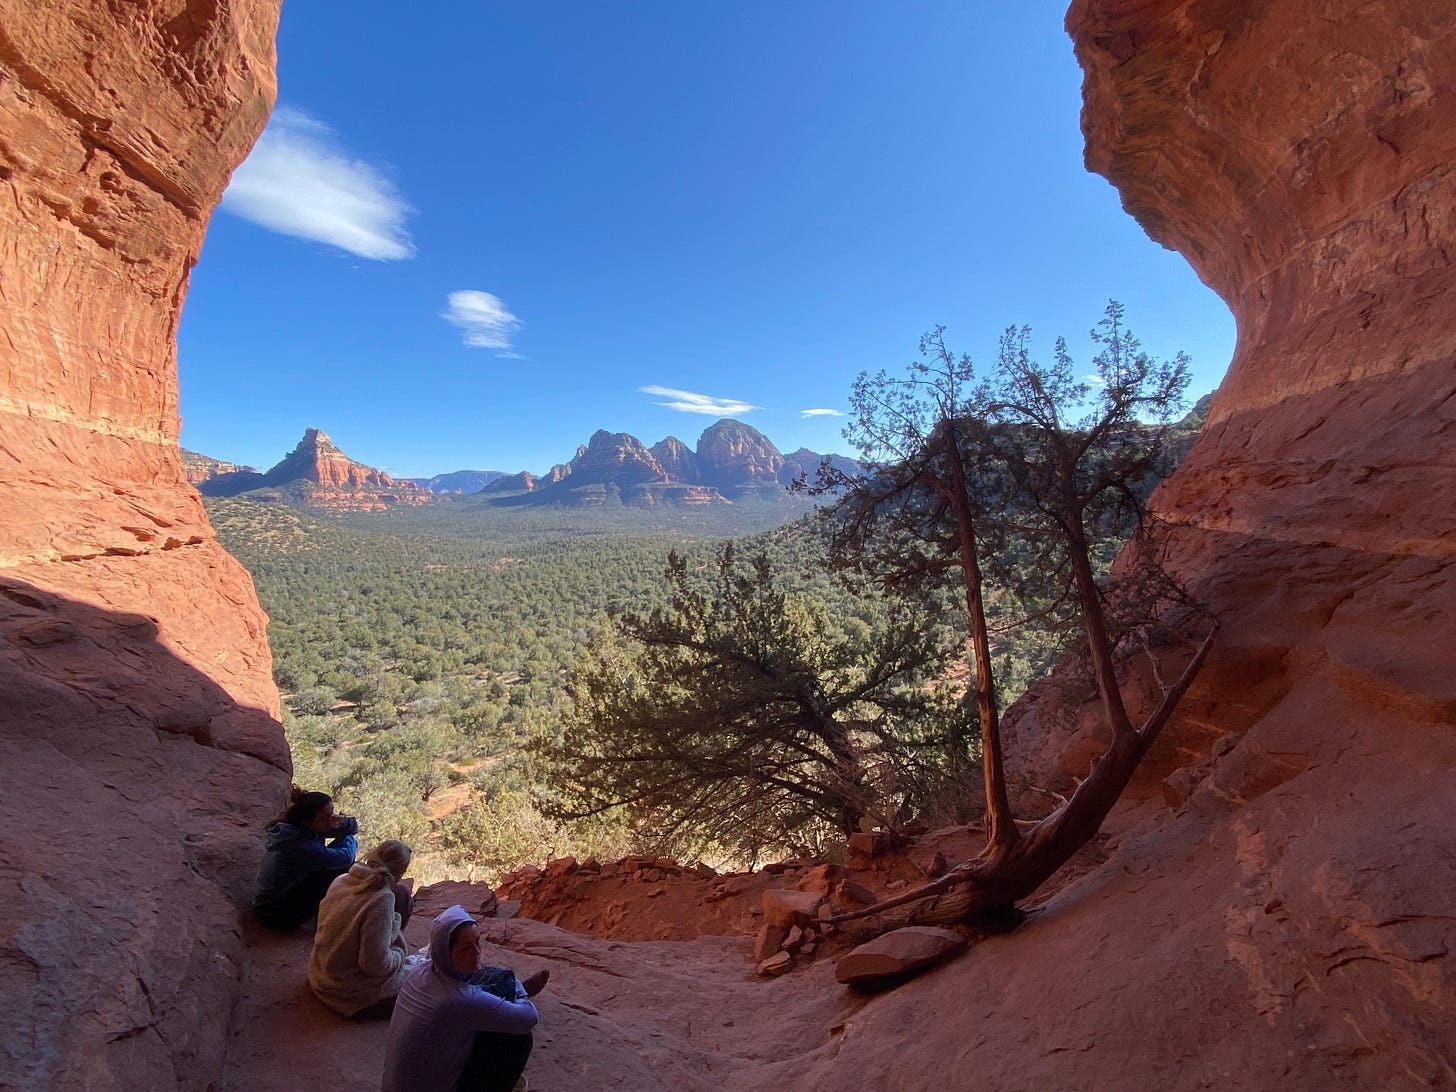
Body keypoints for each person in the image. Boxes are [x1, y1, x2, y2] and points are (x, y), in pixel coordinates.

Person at [381, 904, 546, 1092]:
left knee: (481, 986)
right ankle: (512, 992)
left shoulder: (420, 971)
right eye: (466, 948)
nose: (476, 952)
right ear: (446, 951)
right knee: (519, 1039)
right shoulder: (456, 1000)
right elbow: (529, 1017)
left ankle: (505, 995)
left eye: (477, 942)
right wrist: (517, 985)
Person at [308, 839, 416, 1018]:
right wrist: (400, 955)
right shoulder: (381, 899)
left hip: (322, 976)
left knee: (402, 893)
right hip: (346, 993)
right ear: (400, 872)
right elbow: (376, 966)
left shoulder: (341, 880)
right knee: (427, 985)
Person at [253, 788, 357, 931]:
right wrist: (347, 834)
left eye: (332, 813)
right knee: (339, 868)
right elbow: (346, 857)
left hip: (272, 901)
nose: (331, 820)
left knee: (335, 862)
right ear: (307, 822)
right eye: (325, 818)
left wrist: (344, 824)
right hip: (275, 914)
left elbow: (351, 827)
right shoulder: (300, 846)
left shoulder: (296, 828)